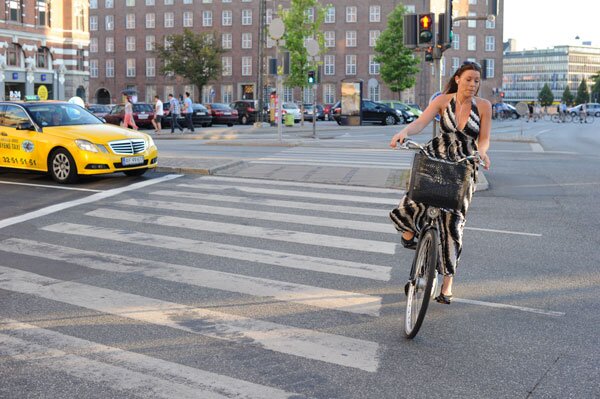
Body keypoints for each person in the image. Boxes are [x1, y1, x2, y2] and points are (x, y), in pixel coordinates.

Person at [389, 60, 491, 305]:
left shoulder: (485, 106)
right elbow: (420, 123)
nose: (473, 84)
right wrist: (404, 132)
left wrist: (482, 153)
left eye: (477, 80)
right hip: (436, 157)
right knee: (414, 197)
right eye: (468, 79)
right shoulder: (442, 101)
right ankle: (409, 233)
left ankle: (447, 286)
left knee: (453, 224)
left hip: (464, 164)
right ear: (457, 79)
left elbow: (484, 139)